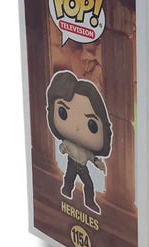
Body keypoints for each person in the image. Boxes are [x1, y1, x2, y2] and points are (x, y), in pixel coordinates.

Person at [46, 71, 112, 214]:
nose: (77, 128)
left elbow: (92, 157)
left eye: (92, 125)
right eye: (63, 112)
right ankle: (66, 190)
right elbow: (63, 147)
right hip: (72, 163)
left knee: (88, 184)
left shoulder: (87, 149)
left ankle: (89, 201)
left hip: (82, 167)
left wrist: (98, 164)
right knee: (69, 178)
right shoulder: (68, 142)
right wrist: (63, 149)